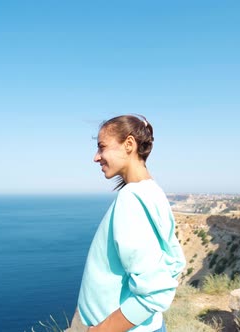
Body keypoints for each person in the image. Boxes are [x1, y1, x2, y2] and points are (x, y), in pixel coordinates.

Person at [71, 115, 185, 332]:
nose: (96, 157)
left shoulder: (132, 199)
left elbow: (154, 293)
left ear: (129, 145)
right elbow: (175, 262)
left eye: (102, 147)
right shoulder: (153, 192)